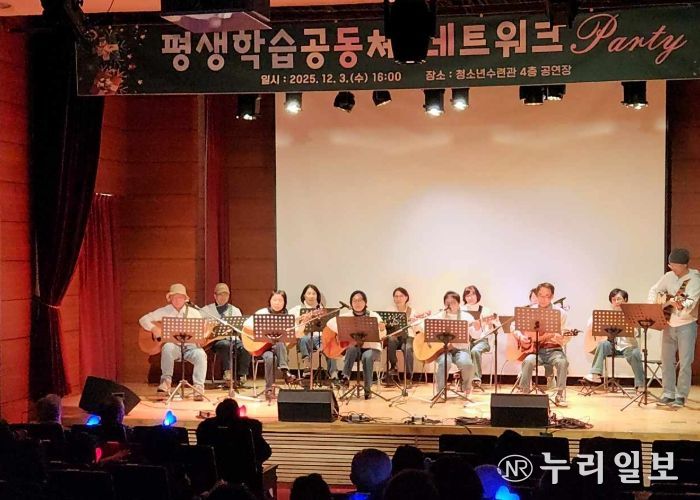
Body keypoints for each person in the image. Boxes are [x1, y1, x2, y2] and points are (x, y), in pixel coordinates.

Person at [648, 248, 700, 408]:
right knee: (666, 360)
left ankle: (681, 395)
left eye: (674, 266)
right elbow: (654, 290)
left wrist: (675, 302)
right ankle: (668, 393)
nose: (671, 268)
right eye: (670, 265)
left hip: (686, 324)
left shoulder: (694, 279)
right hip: (668, 323)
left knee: (685, 362)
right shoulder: (668, 276)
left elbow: (689, 302)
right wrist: (656, 305)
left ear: (684, 265)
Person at [139, 283, 207, 401]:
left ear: (185, 299)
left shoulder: (194, 313)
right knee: (168, 347)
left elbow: (202, 332)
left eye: (180, 297)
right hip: (174, 347)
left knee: (201, 354)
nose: (177, 300)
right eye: (174, 297)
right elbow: (143, 319)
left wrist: (202, 336)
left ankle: (198, 387)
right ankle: (166, 382)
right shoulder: (164, 311)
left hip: (190, 348)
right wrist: (154, 329)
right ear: (170, 298)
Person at [513, 282, 570, 406]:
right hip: (536, 350)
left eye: (547, 296)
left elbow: (565, 336)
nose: (543, 299)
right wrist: (521, 337)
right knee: (528, 361)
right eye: (541, 295)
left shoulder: (561, 313)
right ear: (536, 295)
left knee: (563, 362)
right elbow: (514, 326)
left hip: (554, 350)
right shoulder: (530, 310)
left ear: (552, 296)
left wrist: (559, 337)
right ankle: (524, 392)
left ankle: (559, 394)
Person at [583, 288, 644, 392]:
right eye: (613, 300)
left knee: (636, 353)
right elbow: (592, 325)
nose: (616, 302)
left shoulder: (632, 314)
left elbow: (636, 333)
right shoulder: (609, 314)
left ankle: (641, 385)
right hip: (613, 345)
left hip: (628, 346)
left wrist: (626, 327)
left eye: (619, 299)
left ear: (625, 300)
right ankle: (595, 374)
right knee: (602, 344)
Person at [243, 290, 298, 399]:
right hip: (262, 347)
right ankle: (284, 373)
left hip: (278, 349)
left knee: (277, 345)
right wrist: (261, 332)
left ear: (284, 302)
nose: (277, 303)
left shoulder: (287, 316)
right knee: (271, 354)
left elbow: (293, 336)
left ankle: (270, 388)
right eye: (275, 300)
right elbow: (246, 325)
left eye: (280, 300)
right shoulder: (262, 312)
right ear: (270, 301)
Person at [333, 290, 386, 400]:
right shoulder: (346, 316)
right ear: (351, 303)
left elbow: (382, 335)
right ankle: (345, 377)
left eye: (360, 300)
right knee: (351, 349)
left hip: (372, 348)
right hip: (355, 349)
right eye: (354, 301)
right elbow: (333, 327)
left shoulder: (373, 315)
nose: (357, 303)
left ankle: (367, 388)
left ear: (365, 302)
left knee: (367, 356)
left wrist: (381, 329)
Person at [423, 291, 475, 397]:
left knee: (467, 364)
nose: (450, 305)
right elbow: (426, 328)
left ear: (459, 303)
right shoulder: (439, 316)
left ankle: (467, 388)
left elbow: (476, 334)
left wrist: (477, 327)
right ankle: (441, 391)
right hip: (443, 350)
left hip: (461, 349)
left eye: (453, 302)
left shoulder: (467, 317)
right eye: (447, 303)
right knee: (444, 362)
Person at [202, 283, 251, 384]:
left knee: (246, 346)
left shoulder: (235, 310)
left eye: (226, 295)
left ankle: (242, 374)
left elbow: (240, 329)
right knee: (225, 345)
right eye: (220, 294)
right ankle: (228, 373)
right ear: (215, 296)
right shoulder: (206, 310)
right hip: (216, 341)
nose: (223, 297)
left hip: (233, 339)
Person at [288, 284, 338, 380]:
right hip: (305, 339)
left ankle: (334, 374)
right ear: (304, 295)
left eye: (314, 294)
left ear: (317, 296)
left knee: (330, 345)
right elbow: (289, 321)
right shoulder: (297, 309)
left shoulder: (322, 310)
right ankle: (307, 366)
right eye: (309, 293)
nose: (311, 296)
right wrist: (300, 319)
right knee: (304, 338)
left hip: (320, 338)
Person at [463, 285, 497, 389]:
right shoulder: (461, 310)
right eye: (467, 295)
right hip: (465, 340)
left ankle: (476, 378)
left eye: (473, 294)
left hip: (482, 340)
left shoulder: (485, 310)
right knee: (462, 351)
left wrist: (490, 324)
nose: (470, 297)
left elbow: (492, 329)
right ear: (464, 297)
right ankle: (462, 378)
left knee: (475, 351)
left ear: (477, 295)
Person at [385, 287, 416, 381]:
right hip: (395, 336)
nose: (398, 299)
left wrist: (414, 322)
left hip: (408, 336)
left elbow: (417, 328)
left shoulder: (412, 311)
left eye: (401, 296)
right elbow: (384, 325)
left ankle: (409, 376)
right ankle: (393, 366)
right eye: (396, 296)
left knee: (407, 348)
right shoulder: (390, 310)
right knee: (391, 340)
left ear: (406, 297)